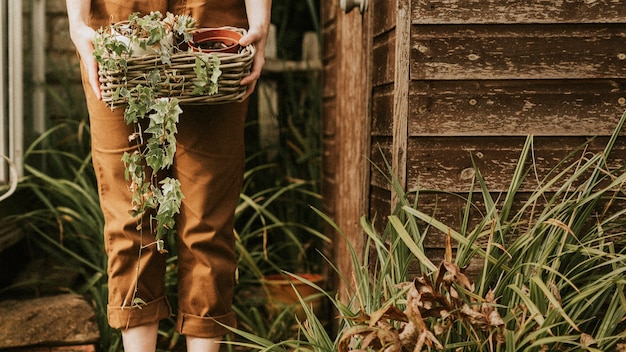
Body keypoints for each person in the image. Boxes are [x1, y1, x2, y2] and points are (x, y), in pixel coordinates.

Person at [65, 1, 271, 351]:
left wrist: (260, 23)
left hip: (212, 28)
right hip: (118, 32)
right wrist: (77, 24)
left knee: (207, 219)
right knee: (132, 215)